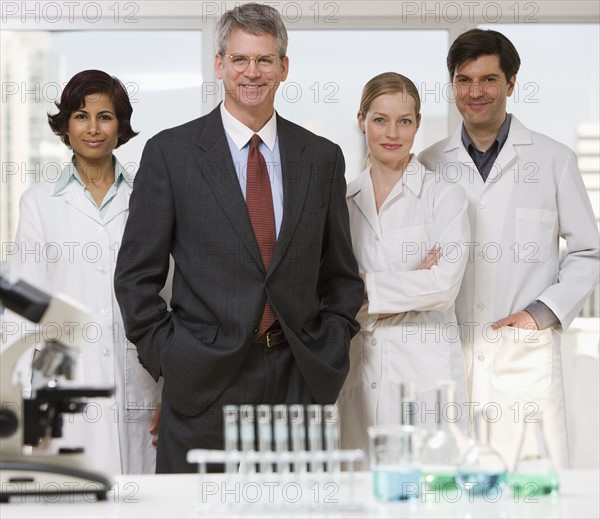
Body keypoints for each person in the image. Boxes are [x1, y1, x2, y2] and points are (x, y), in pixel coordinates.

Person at [113, 2, 364, 473]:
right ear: (220, 65)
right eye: (240, 59)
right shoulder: (171, 154)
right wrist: (173, 359)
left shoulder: (322, 158)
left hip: (298, 379)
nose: (253, 72)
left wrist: (329, 345)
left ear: (284, 67)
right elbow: (135, 278)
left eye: (265, 60)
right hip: (203, 382)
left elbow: (341, 277)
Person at [419, 29, 600, 469]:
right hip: (446, 351)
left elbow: (588, 252)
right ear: (452, 85)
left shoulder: (553, 160)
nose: (475, 92)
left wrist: (541, 315)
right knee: (444, 488)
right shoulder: (427, 163)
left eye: (488, 80)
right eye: (464, 80)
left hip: (521, 354)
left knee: (530, 490)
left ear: (511, 83)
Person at [5, 69, 162, 474]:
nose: (93, 128)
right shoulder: (39, 202)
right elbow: (23, 310)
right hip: (64, 383)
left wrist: (175, 391)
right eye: (80, 115)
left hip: (140, 382)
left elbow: (174, 298)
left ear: (120, 127)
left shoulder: (150, 198)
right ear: (66, 126)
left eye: (105, 116)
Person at [338, 72, 470, 461]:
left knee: (430, 492)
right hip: (359, 373)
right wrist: (414, 283)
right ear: (361, 120)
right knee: (360, 495)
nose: (392, 132)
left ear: (417, 124)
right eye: (380, 119)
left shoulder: (443, 197)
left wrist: (364, 288)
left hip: (424, 376)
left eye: (404, 121)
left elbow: (444, 287)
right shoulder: (343, 201)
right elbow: (330, 292)